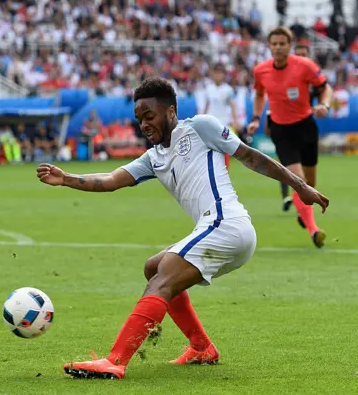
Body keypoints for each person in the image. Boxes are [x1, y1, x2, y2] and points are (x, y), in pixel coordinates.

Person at [36, 77, 329, 380]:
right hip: (215, 228)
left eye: (149, 116)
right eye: (139, 119)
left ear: (171, 111)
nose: (144, 125)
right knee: (154, 268)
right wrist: (67, 178)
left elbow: (250, 157)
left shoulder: (200, 126)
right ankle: (201, 347)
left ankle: (115, 360)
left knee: (161, 280)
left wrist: (301, 186)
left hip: (226, 224)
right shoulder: (153, 157)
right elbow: (111, 180)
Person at [248, 27, 332, 248]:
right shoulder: (261, 71)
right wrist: (256, 118)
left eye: (282, 43)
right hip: (281, 130)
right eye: (273, 44)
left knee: (310, 184)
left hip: (306, 127)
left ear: (289, 45)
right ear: (269, 46)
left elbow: (326, 88)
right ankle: (314, 231)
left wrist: (324, 104)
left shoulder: (304, 66)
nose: (277, 47)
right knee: (299, 181)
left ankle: (303, 213)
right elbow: (259, 94)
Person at [264, 43, 320, 213]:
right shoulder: (285, 75)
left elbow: (324, 92)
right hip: (284, 127)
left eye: (305, 54)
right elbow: (273, 98)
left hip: (305, 128)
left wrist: (323, 105)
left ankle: (301, 205)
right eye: (299, 54)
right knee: (287, 165)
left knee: (307, 176)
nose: (302, 57)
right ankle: (287, 197)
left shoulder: (313, 81)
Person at [201, 63, 238, 169]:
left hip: (224, 123)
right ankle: (212, 170)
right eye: (215, 73)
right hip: (210, 123)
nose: (217, 76)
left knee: (224, 148)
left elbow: (233, 104)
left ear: (223, 75)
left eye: (220, 73)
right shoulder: (209, 89)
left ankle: (225, 171)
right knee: (210, 148)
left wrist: (235, 120)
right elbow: (206, 105)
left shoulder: (228, 89)